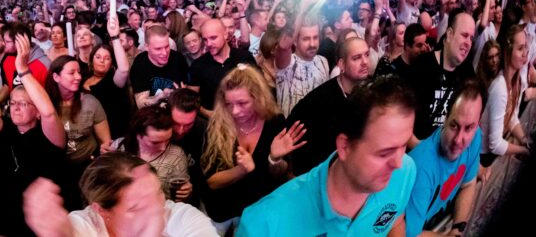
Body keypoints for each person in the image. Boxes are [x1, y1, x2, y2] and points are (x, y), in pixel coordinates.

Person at [238, 76, 418, 237]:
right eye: (384, 153)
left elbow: (395, 220)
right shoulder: (262, 225)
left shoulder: (405, 171)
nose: (398, 163)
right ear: (344, 147)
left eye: (403, 146)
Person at [0, 33, 67, 235]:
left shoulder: (49, 136)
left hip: (40, 224)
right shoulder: (7, 129)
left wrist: (23, 71)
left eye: (23, 103)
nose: (15, 107)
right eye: (13, 103)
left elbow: (48, 113)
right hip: (9, 220)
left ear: (37, 111)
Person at [201, 65, 306, 233]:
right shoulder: (217, 126)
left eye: (242, 103)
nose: (235, 111)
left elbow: (281, 175)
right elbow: (212, 182)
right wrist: (241, 170)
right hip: (221, 210)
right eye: (229, 104)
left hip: (258, 209)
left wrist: (275, 159)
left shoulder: (274, 122)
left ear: (258, 98)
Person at [23, 152, 217, 237]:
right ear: (101, 210)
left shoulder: (182, 217)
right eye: (136, 207)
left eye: (157, 193)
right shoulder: (82, 226)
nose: (156, 210)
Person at [392, 80, 483, 237]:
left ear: (477, 125)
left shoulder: (476, 137)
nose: (458, 140)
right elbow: (411, 235)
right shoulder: (421, 166)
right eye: (454, 125)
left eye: (469, 128)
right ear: (445, 118)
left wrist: (457, 228)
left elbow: (468, 184)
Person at [287, 37, 371, 176]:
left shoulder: (375, 91)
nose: (365, 62)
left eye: (367, 55)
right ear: (341, 64)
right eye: (356, 58)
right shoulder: (317, 101)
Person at [46, 54, 112, 207]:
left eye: (79, 72)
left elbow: (106, 141)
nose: (78, 77)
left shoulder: (90, 102)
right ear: (56, 77)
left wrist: (106, 148)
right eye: (71, 73)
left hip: (86, 167)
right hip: (58, 170)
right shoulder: (47, 105)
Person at [409, 12, 476, 145]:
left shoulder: (468, 73)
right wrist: (424, 151)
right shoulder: (421, 66)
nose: (468, 43)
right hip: (420, 150)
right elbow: (403, 121)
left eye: (471, 38)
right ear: (449, 34)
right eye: (464, 35)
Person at [479, 24, 531, 166]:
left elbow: (512, 117)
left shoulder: (516, 81)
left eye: (525, 47)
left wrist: (524, 140)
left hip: (493, 152)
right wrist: (522, 150)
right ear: (508, 52)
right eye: (520, 48)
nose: (525, 53)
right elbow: (494, 144)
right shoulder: (499, 88)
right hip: (483, 157)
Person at [115, 105, 191, 201]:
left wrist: (185, 192)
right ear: (138, 135)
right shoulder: (119, 147)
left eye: (167, 140)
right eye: (155, 142)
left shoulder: (176, 155)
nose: (163, 148)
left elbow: (179, 196)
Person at [189, 18, 256, 117]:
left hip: (245, 118)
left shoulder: (244, 57)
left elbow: (258, 89)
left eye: (213, 38)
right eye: (205, 40)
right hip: (212, 121)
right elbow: (191, 99)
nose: (209, 44)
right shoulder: (198, 65)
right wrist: (208, 113)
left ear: (225, 34)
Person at [83, 15, 132, 139]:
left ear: (111, 64)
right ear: (91, 60)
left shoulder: (113, 81)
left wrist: (115, 37)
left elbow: (124, 69)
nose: (102, 61)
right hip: (88, 137)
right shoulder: (82, 79)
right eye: (98, 57)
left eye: (107, 58)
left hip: (113, 136)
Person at [274, 18, 330, 116]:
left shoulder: (323, 61)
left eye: (315, 37)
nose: (312, 44)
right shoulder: (287, 63)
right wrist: (302, 10)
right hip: (292, 124)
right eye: (306, 39)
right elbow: (283, 47)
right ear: (295, 41)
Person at [130, 25, 189, 108]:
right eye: (158, 49)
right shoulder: (140, 64)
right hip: (152, 113)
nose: (164, 53)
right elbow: (141, 104)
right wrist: (160, 97)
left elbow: (187, 88)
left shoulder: (178, 58)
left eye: (167, 46)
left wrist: (181, 93)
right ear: (147, 47)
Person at [168, 89, 206, 206]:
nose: (180, 131)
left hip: (192, 200)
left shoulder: (205, 131)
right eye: (175, 123)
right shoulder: (156, 124)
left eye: (188, 125)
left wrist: (191, 188)